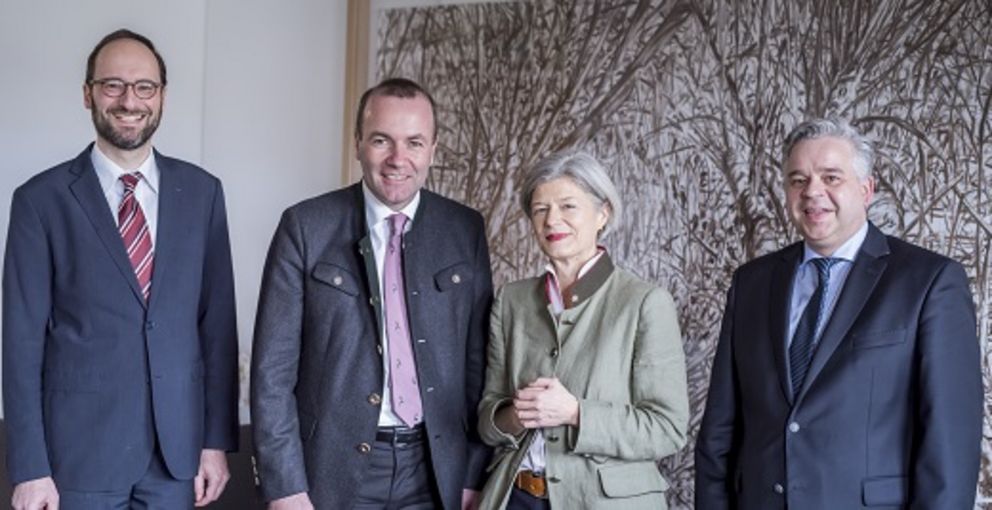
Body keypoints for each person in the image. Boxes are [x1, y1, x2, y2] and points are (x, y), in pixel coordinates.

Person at [3, 29, 239, 509]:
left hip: (178, 457)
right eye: (112, 85)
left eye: (144, 87)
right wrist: (30, 467)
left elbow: (217, 328)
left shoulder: (202, 194)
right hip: (78, 458)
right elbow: (20, 342)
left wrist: (216, 442)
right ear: (88, 93)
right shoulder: (39, 201)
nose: (129, 100)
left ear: (162, 98)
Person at [694, 118, 983, 509]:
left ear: (866, 190)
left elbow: (950, 442)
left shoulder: (928, 282)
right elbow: (719, 430)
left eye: (831, 177)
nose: (813, 192)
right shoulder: (751, 284)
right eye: (798, 180)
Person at [251, 77, 493, 509]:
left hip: (436, 472)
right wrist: (285, 486)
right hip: (332, 472)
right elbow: (272, 372)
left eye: (414, 143)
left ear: (433, 149)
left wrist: (474, 474)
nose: (399, 159)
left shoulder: (464, 230)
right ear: (358, 142)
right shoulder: (305, 228)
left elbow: (479, 366)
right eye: (382, 140)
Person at [476, 149, 689, 509]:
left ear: (602, 213)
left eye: (568, 206)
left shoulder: (645, 303)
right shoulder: (511, 301)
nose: (552, 220)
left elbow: (666, 429)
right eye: (540, 209)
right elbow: (488, 419)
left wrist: (575, 412)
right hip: (517, 498)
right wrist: (515, 414)